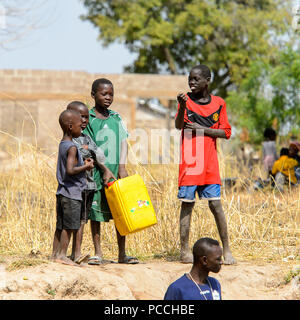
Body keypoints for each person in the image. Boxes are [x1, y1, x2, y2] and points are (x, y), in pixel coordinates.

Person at [175, 64, 236, 265]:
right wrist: (182, 106)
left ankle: (227, 250)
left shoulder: (219, 103)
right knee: (187, 205)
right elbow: (178, 126)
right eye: (189, 79)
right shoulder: (185, 101)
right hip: (190, 163)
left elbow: (226, 132)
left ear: (207, 81)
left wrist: (202, 129)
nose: (191, 83)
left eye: (195, 79)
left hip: (209, 163)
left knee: (216, 205)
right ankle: (184, 251)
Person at [84, 78, 139, 265]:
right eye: (104, 94)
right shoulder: (88, 119)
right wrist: (104, 169)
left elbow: (124, 141)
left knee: (120, 212)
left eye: (111, 94)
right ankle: (98, 253)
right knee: (95, 214)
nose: (108, 97)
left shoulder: (116, 118)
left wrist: (122, 167)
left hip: (116, 172)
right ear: (93, 95)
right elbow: (90, 147)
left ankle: (122, 254)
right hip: (97, 173)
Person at [66, 101, 116, 264]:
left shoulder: (86, 138)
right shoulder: (68, 142)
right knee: (70, 220)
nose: (85, 120)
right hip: (73, 188)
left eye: (87, 117)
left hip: (88, 186)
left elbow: (97, 154)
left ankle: (77, 253)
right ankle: (63, 253)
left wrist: (105, 169)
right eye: (82, 117)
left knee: (82, 220)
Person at [51, 109, 94, 266]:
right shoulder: (73, 147)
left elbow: (69, 165)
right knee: (69, 226)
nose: (81, 128)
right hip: (72, 193)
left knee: (60, 225)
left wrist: (82, 162)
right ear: (70, 127)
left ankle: (54, 255)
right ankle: (62, 255)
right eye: (78, 126)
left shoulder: (63, 144)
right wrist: (86, 167)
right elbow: (70, 170)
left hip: (62, 191)